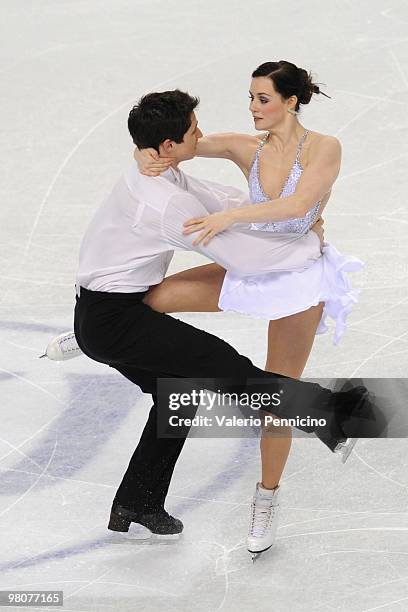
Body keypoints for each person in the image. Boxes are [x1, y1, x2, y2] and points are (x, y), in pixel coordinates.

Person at [44, 88, 375, 560]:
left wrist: (286, 220)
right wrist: (308, 241)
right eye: (192, 132)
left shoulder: (162, 170)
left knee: (178, 397)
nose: (201, 135)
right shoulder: (164, 203)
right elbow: (247, 258)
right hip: (115, 320)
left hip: (106, 313)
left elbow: (221, 199)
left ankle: (135, 502)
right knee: (225, 365)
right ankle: (327, 413)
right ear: (166, 146)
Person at [131, 61, 364, 556]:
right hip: (253, 264)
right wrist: (147, 153)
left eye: (262, 98)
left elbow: (299, 203)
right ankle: (88, 334)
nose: (253, 107)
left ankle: (266, 497)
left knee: (276, 402)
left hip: (298, 278)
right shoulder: (246, 146)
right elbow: (182, 144)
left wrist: (230, 215)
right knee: (154, 299)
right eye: (251, 98)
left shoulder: (325, 148)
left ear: (291, 101)